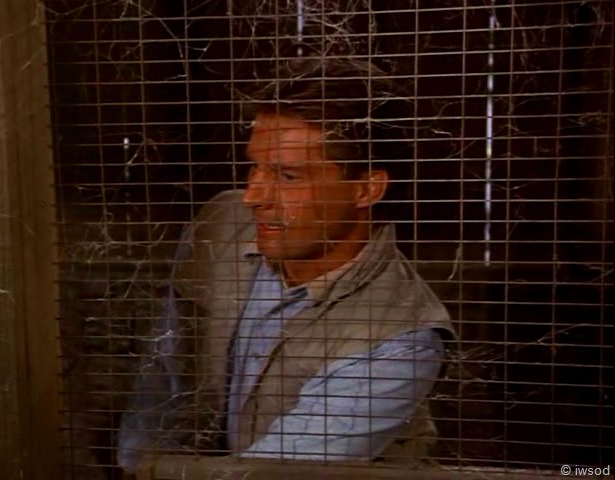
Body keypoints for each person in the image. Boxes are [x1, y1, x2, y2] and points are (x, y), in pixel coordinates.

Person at [117, 56, 455, 474]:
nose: (252, 196)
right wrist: (137, 469)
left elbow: (268, 475)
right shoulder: (222, 223)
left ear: (366, 189)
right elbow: (164, 377)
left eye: (288, 176)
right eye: (255, 166)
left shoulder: (400, 339)